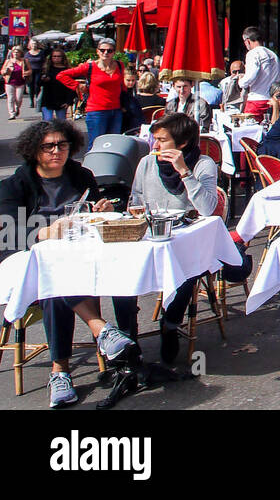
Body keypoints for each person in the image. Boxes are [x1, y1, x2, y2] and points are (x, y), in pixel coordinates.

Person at [0, 121, 139, 407]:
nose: (57, 151)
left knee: (121, 266)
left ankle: (65, 372)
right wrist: (43, 232)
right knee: (52, 279)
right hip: (29, 264)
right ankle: (98, 333)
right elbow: (7, 231)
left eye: (62, 145)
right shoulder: (15, 184)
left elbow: (94, 210)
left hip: (80, 257)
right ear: (34, 151)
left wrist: (105, 206)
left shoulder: (81, 175)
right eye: (48, 146)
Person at [116, 112, 219, 362]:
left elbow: (207, 208)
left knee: (187, 266)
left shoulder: (203, 164)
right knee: (118, 271)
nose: (155, 145)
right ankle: (127, 335)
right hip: (148, 234)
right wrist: (133, 209)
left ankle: (170, 324)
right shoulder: (146, 164)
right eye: (155, 139)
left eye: (162, 140)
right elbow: (137, 198)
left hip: (183, 236)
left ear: (181, 144)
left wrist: (184, 172)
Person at [58, 38, 125, 144]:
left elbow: (122, 85)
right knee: (96, 143)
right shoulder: (90, 67)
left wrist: (125, 103)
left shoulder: (120, 65)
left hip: (116, 110)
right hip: (97, 111)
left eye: (109, 50)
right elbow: (61, 75)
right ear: (97, 51)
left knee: (113, 143)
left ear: (114, 52)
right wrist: (77, 85)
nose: (106, 53)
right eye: (102, 50)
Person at [238, 27, 280, 118]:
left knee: (251, 130)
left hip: (256, 100)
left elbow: (251, 76)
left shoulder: (253, 53)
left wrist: (241, 81)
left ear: (247, 41)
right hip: (272, 101)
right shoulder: (273, 55)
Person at [38, 48, 76, 122]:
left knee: (61, 123)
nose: (56, 58)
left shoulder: (67, 70)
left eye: (59, 56)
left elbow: (72, 87)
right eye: (54, 56)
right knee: (47, 121)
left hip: (61, 100)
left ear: (62, 58)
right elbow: (38, 83)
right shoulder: (46, 69)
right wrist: (44, 80)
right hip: (48, 99)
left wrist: (69, 101)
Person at [3, 45, 30, 120]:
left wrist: (26, 73)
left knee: (18, 98)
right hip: (9, 82)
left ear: (20, 53)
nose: (15, 54)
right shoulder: (8, 61)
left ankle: (17, 108)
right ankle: (12, 113)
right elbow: (2, 71)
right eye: (14, 52)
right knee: (11, 98)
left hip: (20, 82)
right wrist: (5, 71)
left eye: (17, 52)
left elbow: (30, 70)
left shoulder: (24, 61)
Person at [119, 67, 145, 135]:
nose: (131, 83)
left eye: (133, 80)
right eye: (128, 80)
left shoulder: (132, 91)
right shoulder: (120, 92)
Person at [24, 38, 46, 111]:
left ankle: (37, 100)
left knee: (37, 85)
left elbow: (44, 62)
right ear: (30, 45)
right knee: (30, 86)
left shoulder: (41, 53)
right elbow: (25, 63)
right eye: (32, 44)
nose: (34, 45)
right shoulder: (27, 54)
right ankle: (31, 101)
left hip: (39, 71)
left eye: (35, 44)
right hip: (30, 71)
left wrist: (44, 70)